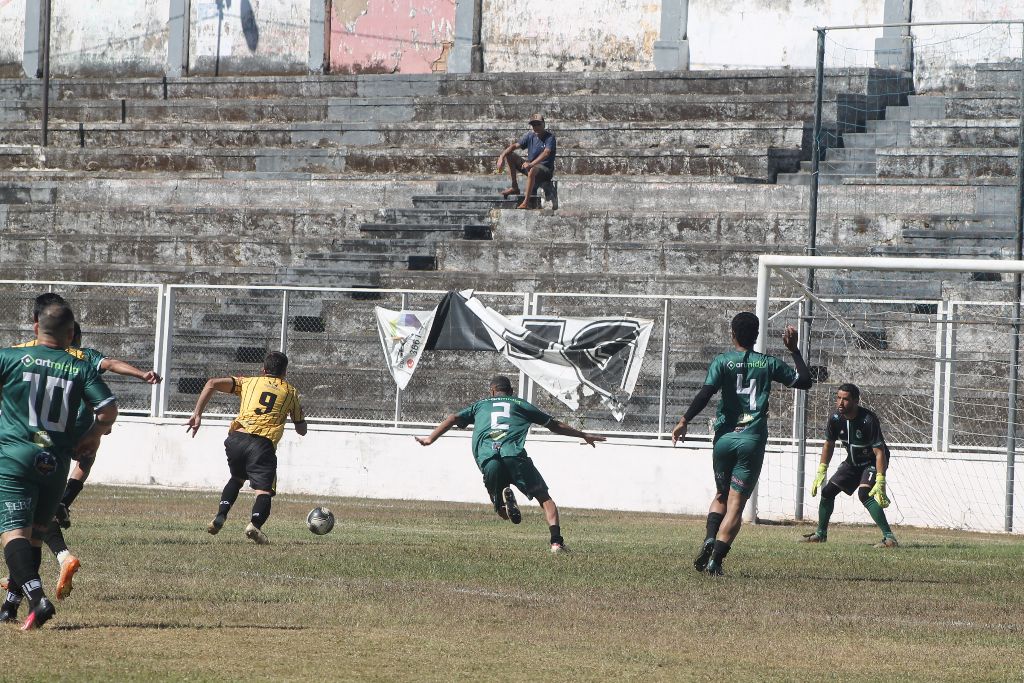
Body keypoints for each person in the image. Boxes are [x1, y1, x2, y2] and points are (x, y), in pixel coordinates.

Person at [0, 302, 117, 629]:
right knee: (36, 537)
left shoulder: (9, 357)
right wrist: (93, 435)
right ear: (70, 335)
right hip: (55, 462)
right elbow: (108, 409)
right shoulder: (80, 367)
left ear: (36, 327)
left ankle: (38, 600)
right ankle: (12, 606)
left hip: (16, 456)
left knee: (13, 534)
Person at [672, 313, 812, 576]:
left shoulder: (722, 361)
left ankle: (710, 537)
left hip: (724, 439)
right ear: (757, 336)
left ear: (732, 334)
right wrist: (794, 350)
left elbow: (705, 393)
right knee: (736, 504)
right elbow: (805, 381)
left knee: (721, 495)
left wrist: (684, 420)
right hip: (752, 439)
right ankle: (716, 561)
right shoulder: (768, 363)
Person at [35, 322, 162, 601]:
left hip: (46, 433)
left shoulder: (39, 355)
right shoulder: (86, 356)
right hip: (83, 428)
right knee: (85, 460)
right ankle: (64, 503)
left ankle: (24, 574)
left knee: (29, 503)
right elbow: (112, 364)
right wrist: (142, 374)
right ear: (76, 337)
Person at [414, 375, 604, 553]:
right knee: (545, 499)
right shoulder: (521, 404)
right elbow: (553, 424)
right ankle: (556, 543)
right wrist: (582, 434)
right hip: (513, 455)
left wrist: (430, 438)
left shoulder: (480, 405)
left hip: (488, 458)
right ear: (511, 391)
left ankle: (504, 503)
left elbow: (452, 418)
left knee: (502, 512)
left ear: (492, 391)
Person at [186, 351, 306, 545]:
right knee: (264, 491)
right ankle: (254, 525)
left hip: (236, 439)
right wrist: (298, 415)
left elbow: (211, 383)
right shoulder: (290, 392)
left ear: (263, 370)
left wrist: (197, 414)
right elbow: (301, 430)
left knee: (237, 478)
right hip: (262, 443)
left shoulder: (248, 382)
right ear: (285, 372)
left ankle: (221, 515)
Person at [802, 383, 897, 548]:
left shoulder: (868, 420)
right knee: (827, 492)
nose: (840, 402)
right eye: (838, 398)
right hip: (852, 462)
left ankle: (890, 538)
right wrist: (822, 469)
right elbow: (829, 444)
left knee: (864, 494)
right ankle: (820, 534)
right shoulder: (835, 418)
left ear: (856, 401)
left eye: (845, 399)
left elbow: (879, 452)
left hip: (871, 462)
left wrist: (881, 479)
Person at [496, 113, 556, 210]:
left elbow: (546, 153)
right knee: (510, 155)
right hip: (531, 167)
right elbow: (514, 146)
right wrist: (501, 156)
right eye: (534, 125)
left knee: (532, 169)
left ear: (544, 124)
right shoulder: (530, 136)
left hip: (545, 170)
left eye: (538, 124)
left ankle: (526, 203)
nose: (536, 127)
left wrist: (531, 164)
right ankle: (514, 187)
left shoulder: (550, 137)